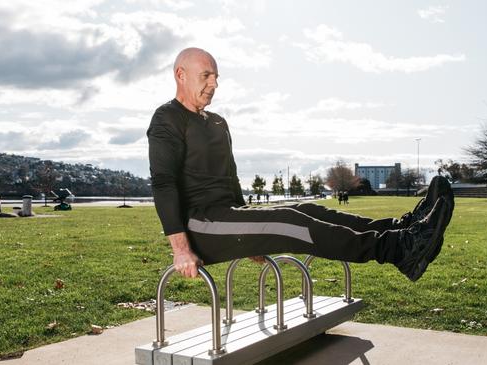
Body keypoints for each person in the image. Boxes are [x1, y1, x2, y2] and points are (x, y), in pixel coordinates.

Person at [147, 47, 454, 282]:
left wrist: (248, 230)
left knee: (309, 210)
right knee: (290, 221)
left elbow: (230, 179)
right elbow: (163, 184)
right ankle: (399, 249)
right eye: (206, 76)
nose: (214, 84)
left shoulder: (217, 122)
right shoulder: (167, 119)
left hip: (227, 218)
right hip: (200, 227)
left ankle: (403, 228)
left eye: (216, 77)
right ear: (180, 75)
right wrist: (180, 249)